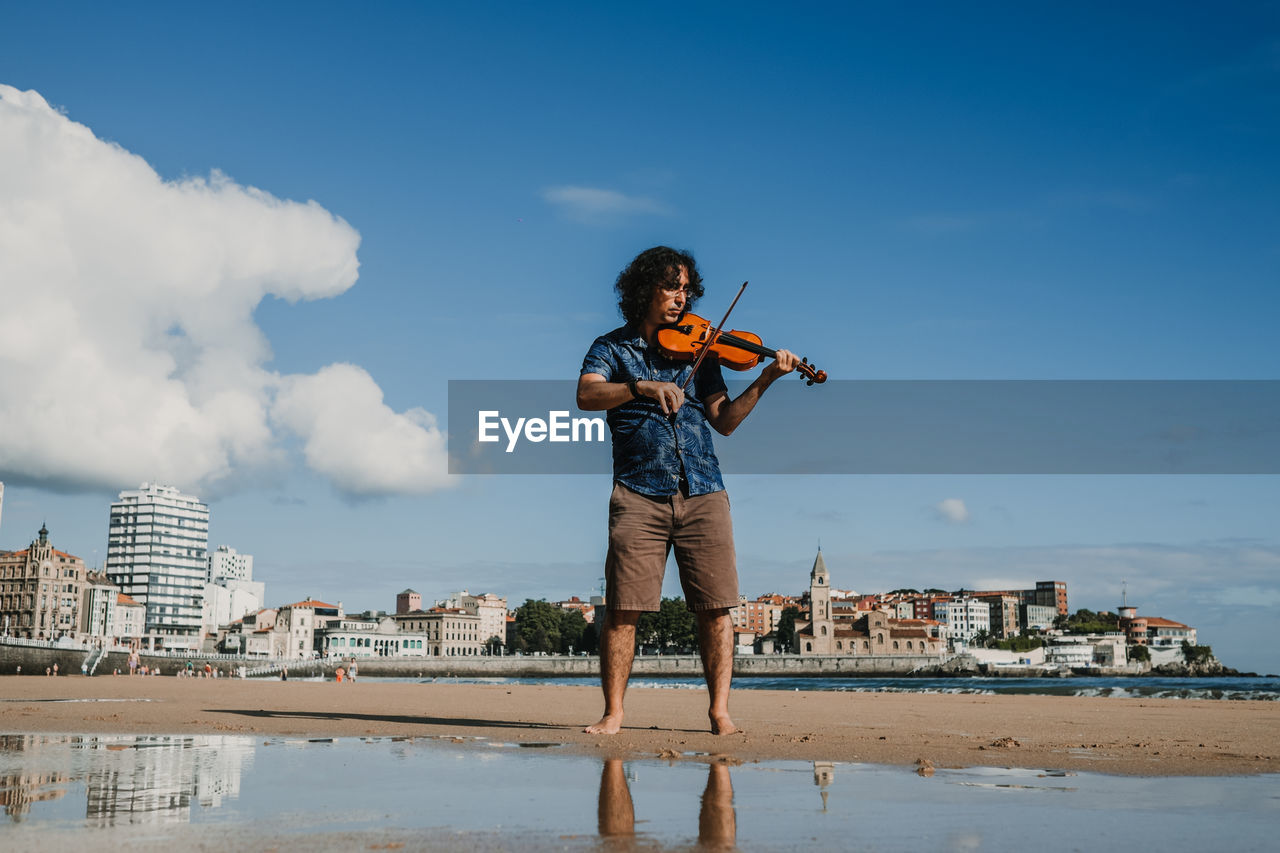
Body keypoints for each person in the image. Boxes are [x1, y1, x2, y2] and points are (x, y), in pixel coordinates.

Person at [578, 246, 797, 736]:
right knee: (623, 609)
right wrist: (641, 387)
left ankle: (720, 712)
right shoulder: (611, 349)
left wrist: (765, 379)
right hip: (637, 492)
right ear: (644, 290)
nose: (681, 298)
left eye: (686, 289)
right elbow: (587, 394)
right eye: (671, 287)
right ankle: (614, 713)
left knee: (717, 608)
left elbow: (725, 423)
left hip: (704, 491)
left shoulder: (703, 352)